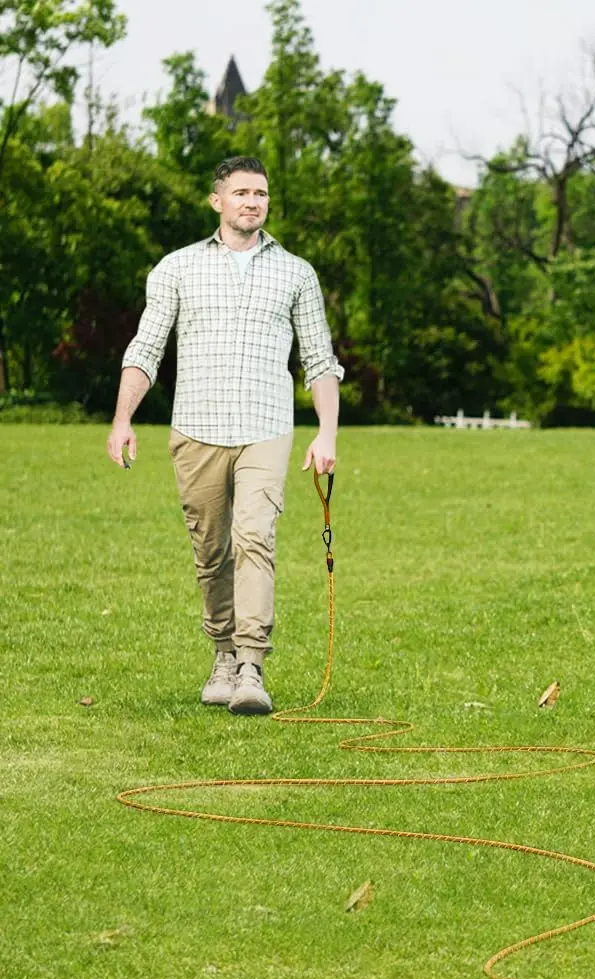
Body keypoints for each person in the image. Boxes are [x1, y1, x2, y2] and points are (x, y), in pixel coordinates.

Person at [107, 155, 343, 715]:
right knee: (211, 552)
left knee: (255, 539)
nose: (252, 202)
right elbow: (146, 350)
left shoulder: (296, 273)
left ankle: (252, 668)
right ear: (218, 201)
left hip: (267, 430)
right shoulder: (176, 269)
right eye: (240, 193)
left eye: (260, 193)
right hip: (196, 431)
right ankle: (222, 656)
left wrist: (327, 433)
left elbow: (320, 360)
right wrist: (122, 419)